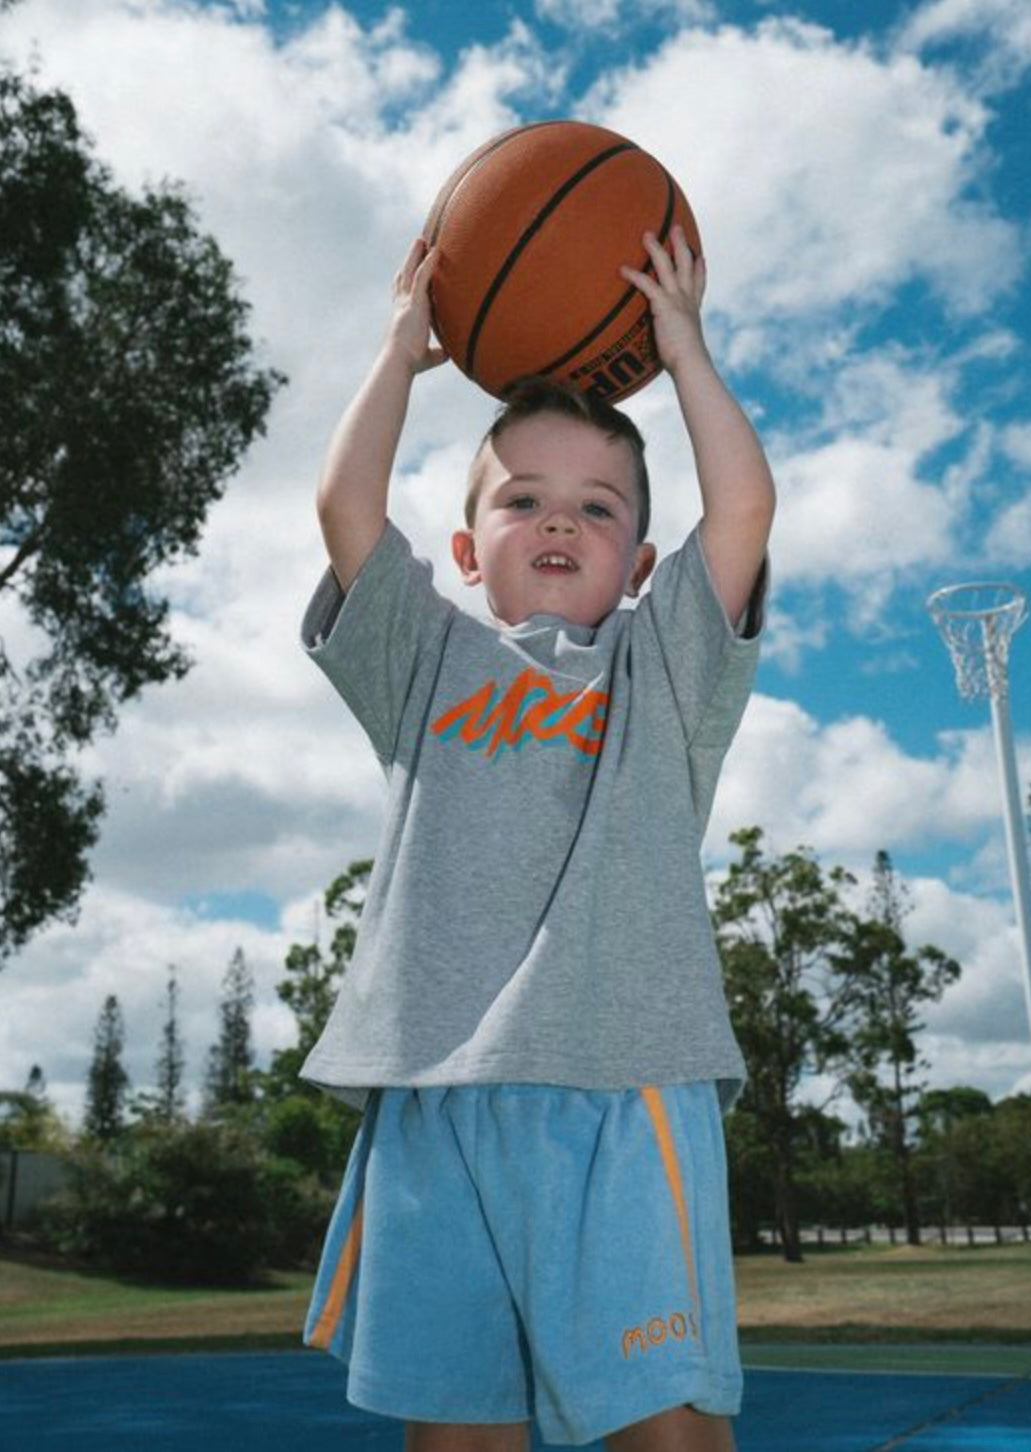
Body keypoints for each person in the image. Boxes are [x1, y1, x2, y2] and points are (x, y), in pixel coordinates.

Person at [299, 224, 775, 1452]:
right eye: (522, 500)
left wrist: (682, 349)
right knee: (457, 1432)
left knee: (664, 1429)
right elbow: (344, 505)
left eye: (596, 508)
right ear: (466, 550)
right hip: (432, 1093)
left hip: (619, 1078)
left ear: (640, 561)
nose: (557, 519)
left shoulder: (663, 666)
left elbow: (743, 505)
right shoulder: (425, 658)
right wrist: (398, 356)